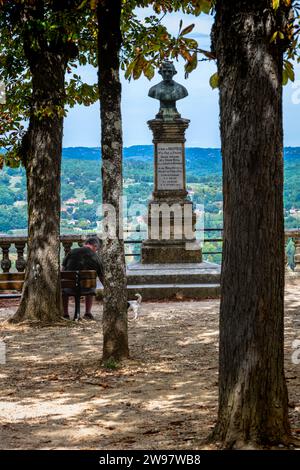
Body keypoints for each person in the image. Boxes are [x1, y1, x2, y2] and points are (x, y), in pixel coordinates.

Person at [62, 237, 103, 320]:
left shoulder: (71, 252)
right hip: (87, 289)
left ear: (86, 244)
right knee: (90, 284)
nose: (96, 251)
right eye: (97, 249)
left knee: (64, 287)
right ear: (94, 246)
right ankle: (87, 313)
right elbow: (101, 276)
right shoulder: (96, 256)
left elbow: (62, 271)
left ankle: (65, 314)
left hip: (69, 288)